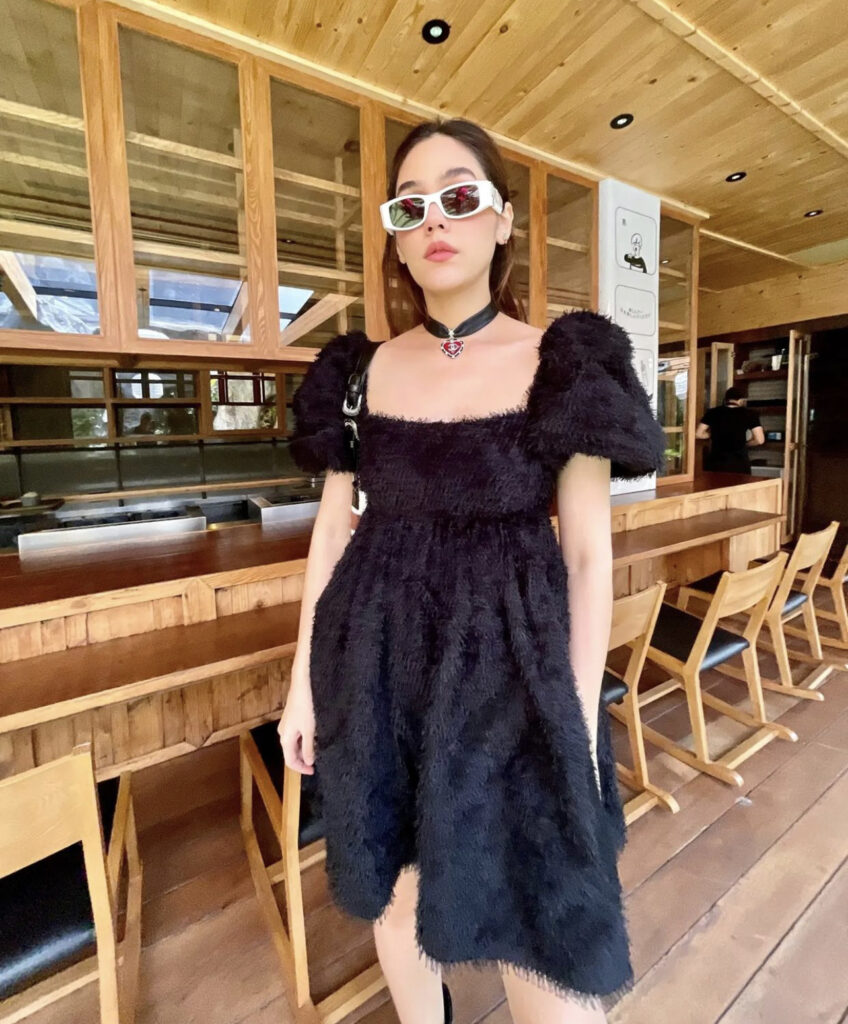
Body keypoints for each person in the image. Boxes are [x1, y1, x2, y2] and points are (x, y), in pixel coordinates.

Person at [278, 117, 666, 1024]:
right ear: (396, 238)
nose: (434, 221)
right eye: (410, 207)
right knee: (397, 879)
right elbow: (331, 536)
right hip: (375, 663)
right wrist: (302, 689)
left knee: (539, 901)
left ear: (502, 221)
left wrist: (577, 718)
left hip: (514, 667)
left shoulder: (565, 361)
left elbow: (586, 554)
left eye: (459, 196)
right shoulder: (358, 373)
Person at [696, 386, 765, 473]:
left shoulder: (712, 412)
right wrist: (746, 444)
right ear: (741, 400)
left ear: (726, 399)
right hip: (739, 462)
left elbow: (698, 434)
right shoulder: (750, 414)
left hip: (716, 462)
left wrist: (712, 434)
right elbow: (760, 440)